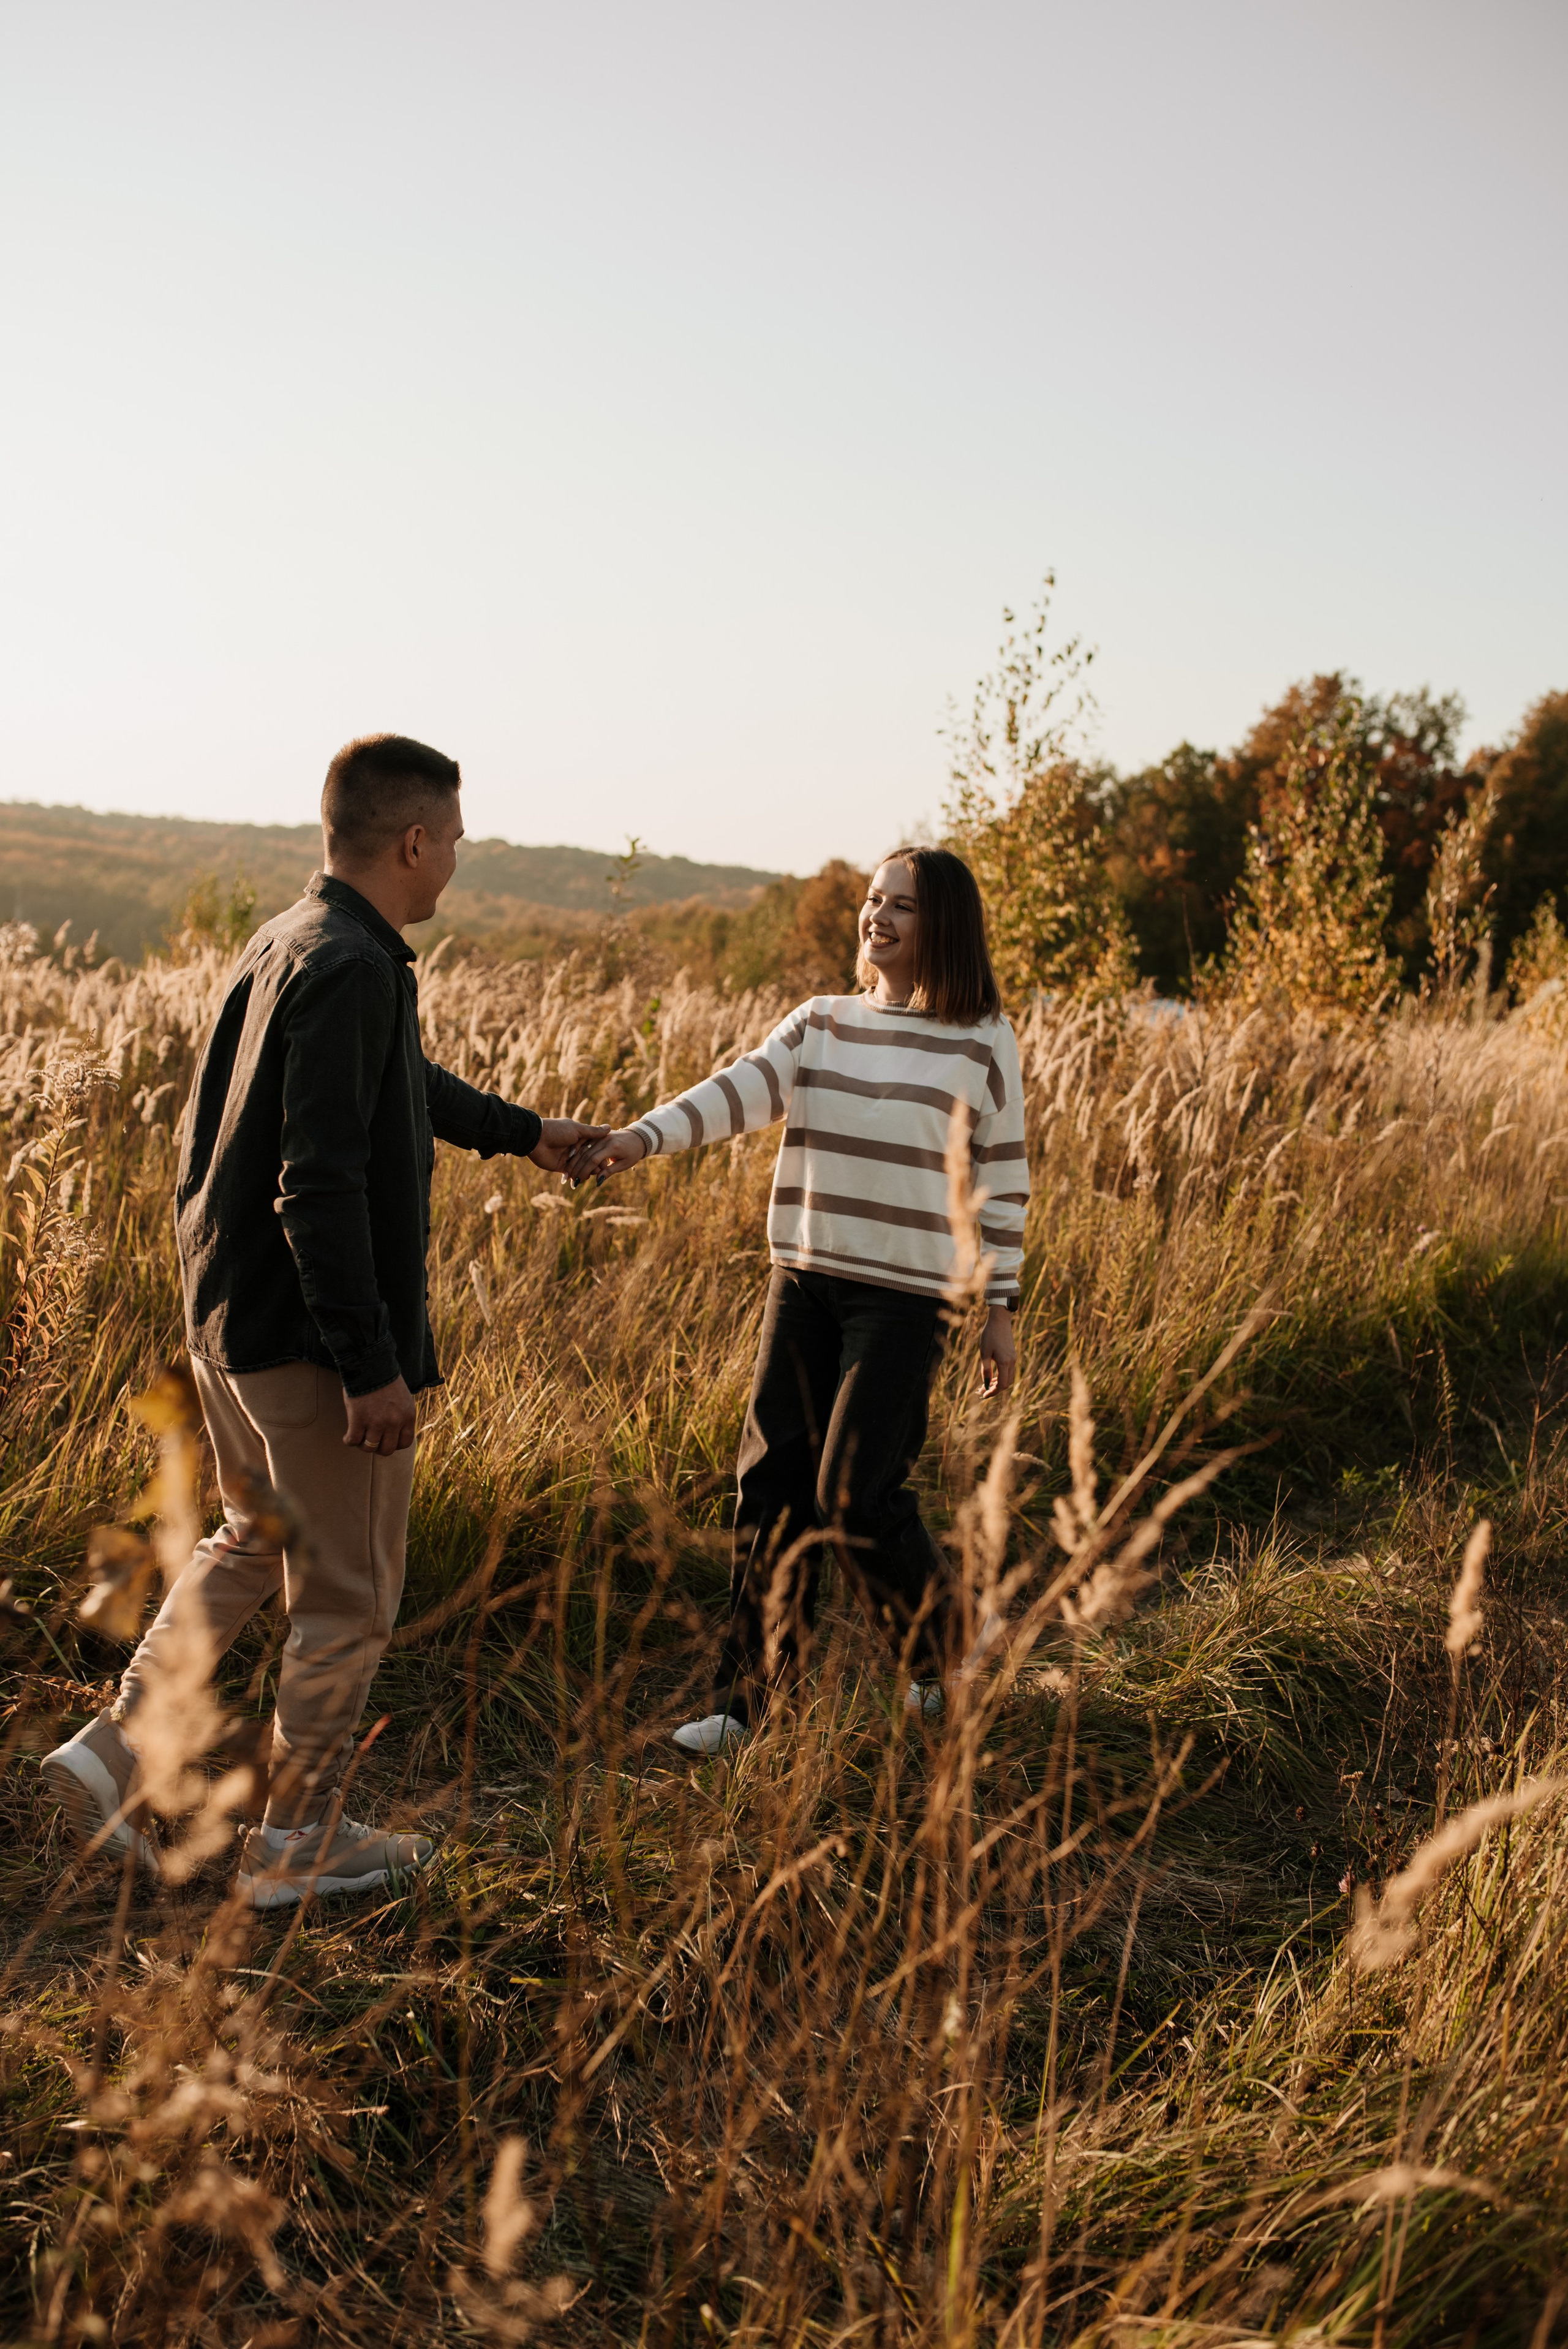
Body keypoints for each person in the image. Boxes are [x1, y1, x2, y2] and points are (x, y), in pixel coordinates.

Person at [42, 734, 605, 1906]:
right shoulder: (352, 966)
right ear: (413, 841)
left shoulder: (299, 939)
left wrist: (523, 1130)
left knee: (252, 1542)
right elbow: (320, 1180)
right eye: (452, 839)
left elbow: (397, 1082)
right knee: (347, 1598)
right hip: (307, 1347)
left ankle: (109, 1756)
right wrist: (371, 1365)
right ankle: (298, 1846)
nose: (455, 858)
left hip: (232, 1325)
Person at [575, 845, 1027, 1754]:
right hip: (807, 1279)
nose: (878, 917)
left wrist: (1000, 1307)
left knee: (855, 1494)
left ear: (944, 926)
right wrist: (638, 1138)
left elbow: (1003, 1178)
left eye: (902, 905)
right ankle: (749, 1706)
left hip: (911, 1299)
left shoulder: (982, 1039)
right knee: (771, 1484)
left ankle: (949, 1646)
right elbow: (734, 1093)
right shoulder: (821, 1023)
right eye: (872, 900)